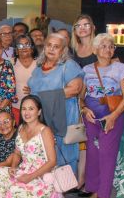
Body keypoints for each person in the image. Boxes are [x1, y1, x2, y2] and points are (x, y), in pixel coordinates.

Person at [79, 33, 124, 198]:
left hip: (112, 116)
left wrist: (113, 116)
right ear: (94, 50)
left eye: (111, 46)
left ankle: (103, 195)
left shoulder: (121, 68)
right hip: (91, 116)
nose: (108, 49)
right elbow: (81, 97)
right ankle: (93, 189)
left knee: (107, 155)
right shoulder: (86, 69)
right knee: (93, 154)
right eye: (103, 46)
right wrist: (85, 109)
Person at [0, 95, 65, 198]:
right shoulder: (21, 128)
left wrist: (30, 177)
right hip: (24, 170)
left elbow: (52, 161)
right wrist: (14, 167)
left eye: (31, 109)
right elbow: (17, 152)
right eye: (24, 109)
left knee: (16, 190)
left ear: (39, 111)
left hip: (41, 175)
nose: (26, 113)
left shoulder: (45, 131)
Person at [27, 33, 84, 174]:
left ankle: (64, 186)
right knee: (43, 151)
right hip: (41, 116)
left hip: (63, 115)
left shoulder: (69, 65)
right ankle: (45, 186)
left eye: (56, 46)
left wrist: (42, 96)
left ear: (63, 49)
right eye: (49, 45)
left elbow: (75, 89)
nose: (51, 49)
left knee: (63, 150)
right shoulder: (38, 67)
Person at [13, 34, 38, 114]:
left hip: (36, 106)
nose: (24, 47)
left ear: (32, 48)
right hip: (15, 107)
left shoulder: (40, 64)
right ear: (16, 50)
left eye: (27, 44)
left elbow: (47, 84)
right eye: (20, 45)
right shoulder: (10, 63)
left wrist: (35, 90)